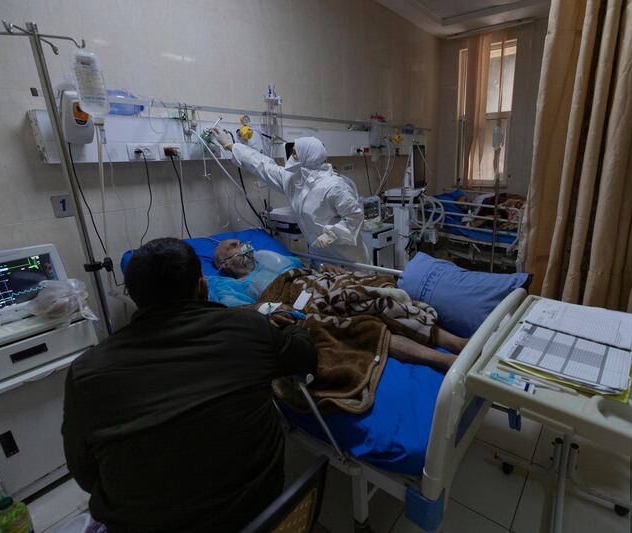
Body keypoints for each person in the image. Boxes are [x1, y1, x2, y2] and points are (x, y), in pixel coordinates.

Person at [61, 238, 317, 532]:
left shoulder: (86, 373)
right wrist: (293, 329)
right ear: (203, 286)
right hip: (263, 517)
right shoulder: (248, 326)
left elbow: (85, 475)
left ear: (134, 296)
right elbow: (305, 355)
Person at [211, 238, 468, 371]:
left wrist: (325, 269)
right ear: (224, 263)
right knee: (363, 323)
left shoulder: (269, 260)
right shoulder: (229, 285)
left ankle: (454, 343)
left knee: (380, 296)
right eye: (233, 246)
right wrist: (269, 309)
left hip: (316, 282)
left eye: (239, 241)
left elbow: (303, 271)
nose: (242, 246)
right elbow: (239, 312)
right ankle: (442, 360)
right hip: (294, 302)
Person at [209, 130, 370, 264]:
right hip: (320, 258)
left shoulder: (334, 185)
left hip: (348, 259)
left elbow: (355, 216)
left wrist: (332, 234)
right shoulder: (294, 181)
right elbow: (263, 165)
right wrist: (232, 146)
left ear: (308, 156)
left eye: (295, 153)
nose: (291, 157)